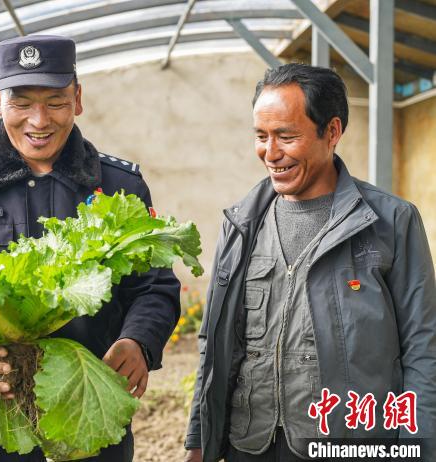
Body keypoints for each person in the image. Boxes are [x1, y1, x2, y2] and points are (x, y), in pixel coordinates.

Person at [0, 35, 180, 461]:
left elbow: (155, 287)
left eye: (55, 102)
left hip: (86, 419)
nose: (39, 120)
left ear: (78, 99)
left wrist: (138, 341)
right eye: (21, 103)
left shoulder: (120, 187)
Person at [184, 63, 436, 462]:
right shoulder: (240, 223)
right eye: (261, 136)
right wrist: (199, 440)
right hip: (248, 445)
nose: (271, 153)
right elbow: (213, 346)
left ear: (332, 132)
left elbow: (424, 350)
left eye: (287, 136)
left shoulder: (392, 222)